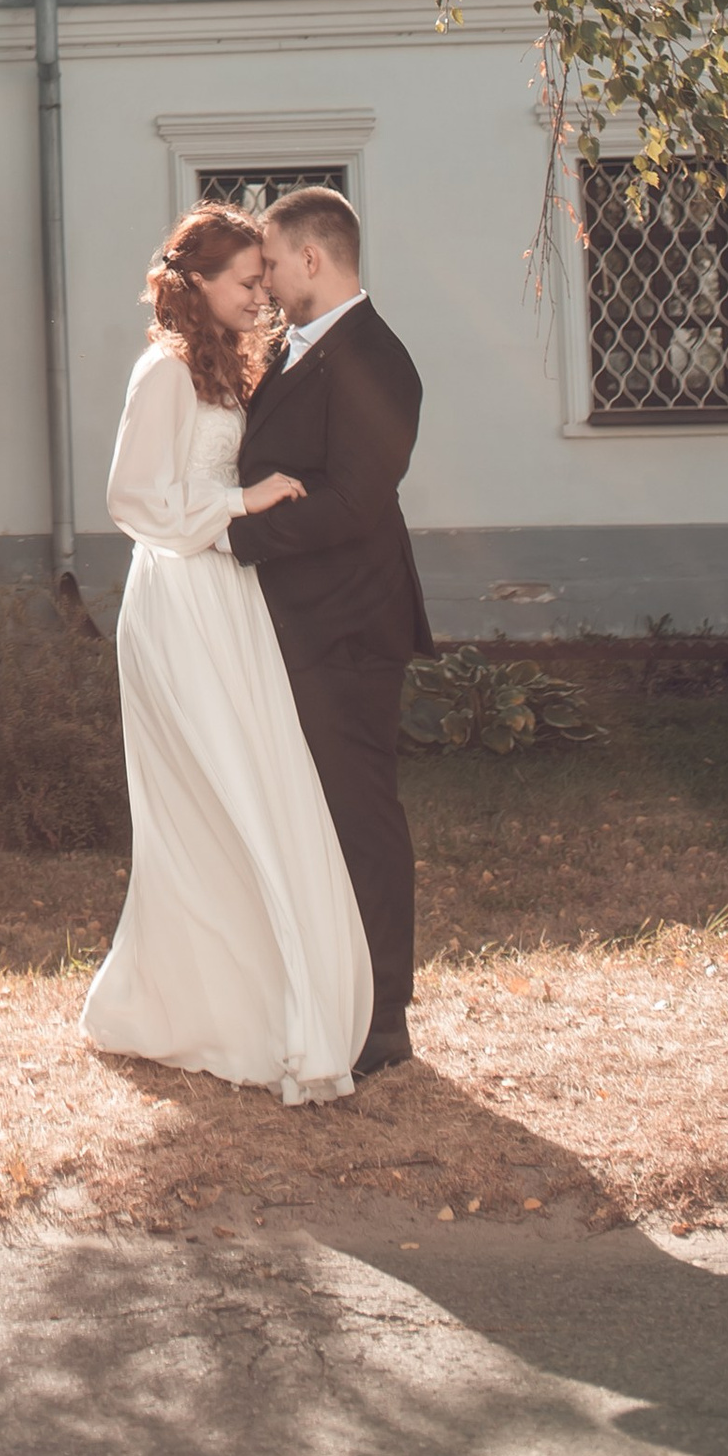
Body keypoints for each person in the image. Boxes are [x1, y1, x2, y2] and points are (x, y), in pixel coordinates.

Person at [78, 204, 371, 1105]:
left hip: (226, 598)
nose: (262, 292)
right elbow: (133, 503)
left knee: (255, 787)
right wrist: (240, 506)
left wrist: (238, 513)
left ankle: (255, 995)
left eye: (263, 276)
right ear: (197, 283)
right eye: (247, 279)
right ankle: (210, 1004)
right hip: (177, 600)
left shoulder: (222, 369)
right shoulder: (163, 371)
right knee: (221, 793)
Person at [228, 184, 434, 1079]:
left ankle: (385, 1015)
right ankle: (320, 989)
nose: (262, 280)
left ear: (314, 258)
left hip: (349, 627)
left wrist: (234, 534)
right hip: (289, 623)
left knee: (360, 815)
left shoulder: (382, 361)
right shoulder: (284, 349)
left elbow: (355, 503)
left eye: (270, 262)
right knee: (302, 816)